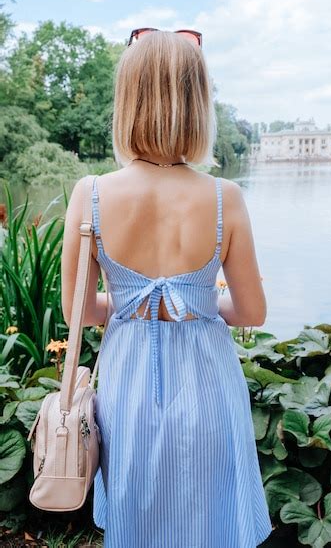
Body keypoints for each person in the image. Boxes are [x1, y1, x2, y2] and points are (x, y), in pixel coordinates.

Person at [61, 28, 273, 547]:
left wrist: (136, 306)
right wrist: (196, 305)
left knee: (140, 517)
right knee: (211, 520)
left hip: (129, 381)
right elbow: (250, 312)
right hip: (209, 383)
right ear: (197, 104)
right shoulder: (226, 198)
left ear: (127, 100)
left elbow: (81, 310)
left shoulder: (90, 195)